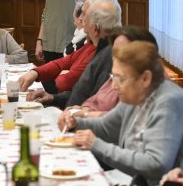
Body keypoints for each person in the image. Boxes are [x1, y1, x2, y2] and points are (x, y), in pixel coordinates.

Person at [58, 41, 183, 185]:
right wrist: (75, 123)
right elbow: (107, 126)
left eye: (120, 79)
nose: (114, 86)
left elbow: (156, 165)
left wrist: (96, 144)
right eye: (113, 77)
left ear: (145, 78)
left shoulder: (168, 102)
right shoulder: (136, 95)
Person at [21, 0, 121, 102]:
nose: (81, 19)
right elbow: (66, 63)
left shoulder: (107, 53)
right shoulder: (92, 45)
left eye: (85, 14)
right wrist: (37, 74)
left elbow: (89, 101)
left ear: (95, 25)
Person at [61, 26, 159, 118]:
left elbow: (117, 119)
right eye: (114, 52)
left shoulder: (137, 84)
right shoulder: (115, 75)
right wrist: (83, 108)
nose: (116, 58)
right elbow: (92, 99)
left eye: (122, 52)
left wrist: (86, 114)